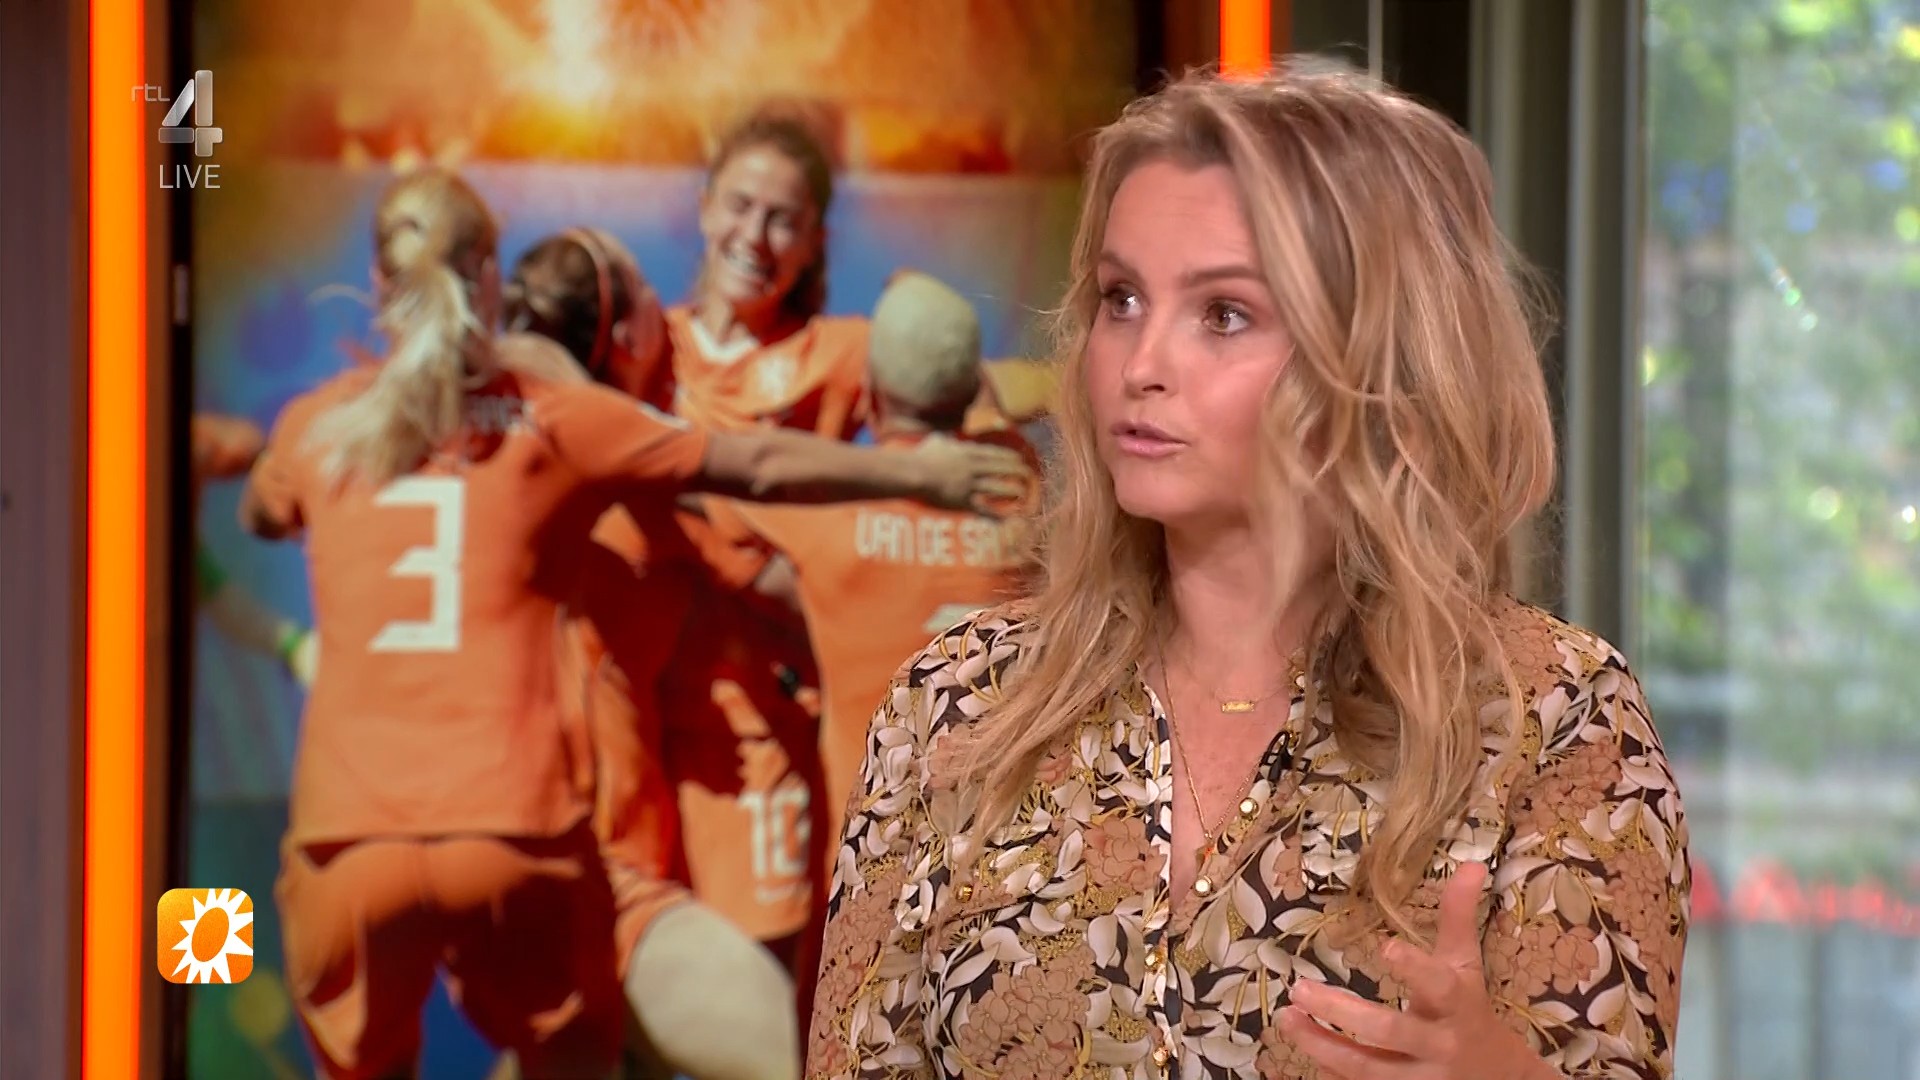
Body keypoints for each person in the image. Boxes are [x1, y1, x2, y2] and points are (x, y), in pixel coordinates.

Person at [806, 64, 1691, 1080]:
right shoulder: (958, 705)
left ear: (1380, 357)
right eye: (1121, 299)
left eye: (1223, 314)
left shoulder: (1555, 717)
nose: (1140, 364)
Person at [241, 168, 1028, 1080]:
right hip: (558, 854)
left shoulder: (325, 424)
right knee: (797, 1055)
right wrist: (930, 472)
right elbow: (758, 474)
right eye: (651, 301)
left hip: (356, 839)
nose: (675, 314)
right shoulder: (573, 434)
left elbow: (267, 504)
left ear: (385, 284)